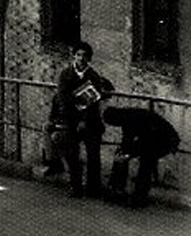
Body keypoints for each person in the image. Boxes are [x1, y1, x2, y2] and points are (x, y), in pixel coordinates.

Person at [56, 41, 115, 198]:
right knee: (72, 153)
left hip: (91, 120)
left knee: (93, 155)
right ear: (74, 56)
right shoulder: (66, 74)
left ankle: (93, 188)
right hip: (71, 119)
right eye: (78, 55)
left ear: (89, 59)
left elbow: (92, 100)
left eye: (85, 56)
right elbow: (63, 98)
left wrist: (84, 117)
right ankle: (76, 187)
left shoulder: (93, 76)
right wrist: (76, 103)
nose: (81, 59)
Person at [103, 106, 180, 207]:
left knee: (145, 163)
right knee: (143, 161)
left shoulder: (128, 120)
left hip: (161, 140)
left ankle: (133, 195)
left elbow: (127, 141)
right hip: (161, 138)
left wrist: (124, 155)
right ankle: (137, 196)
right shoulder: (131, 114)